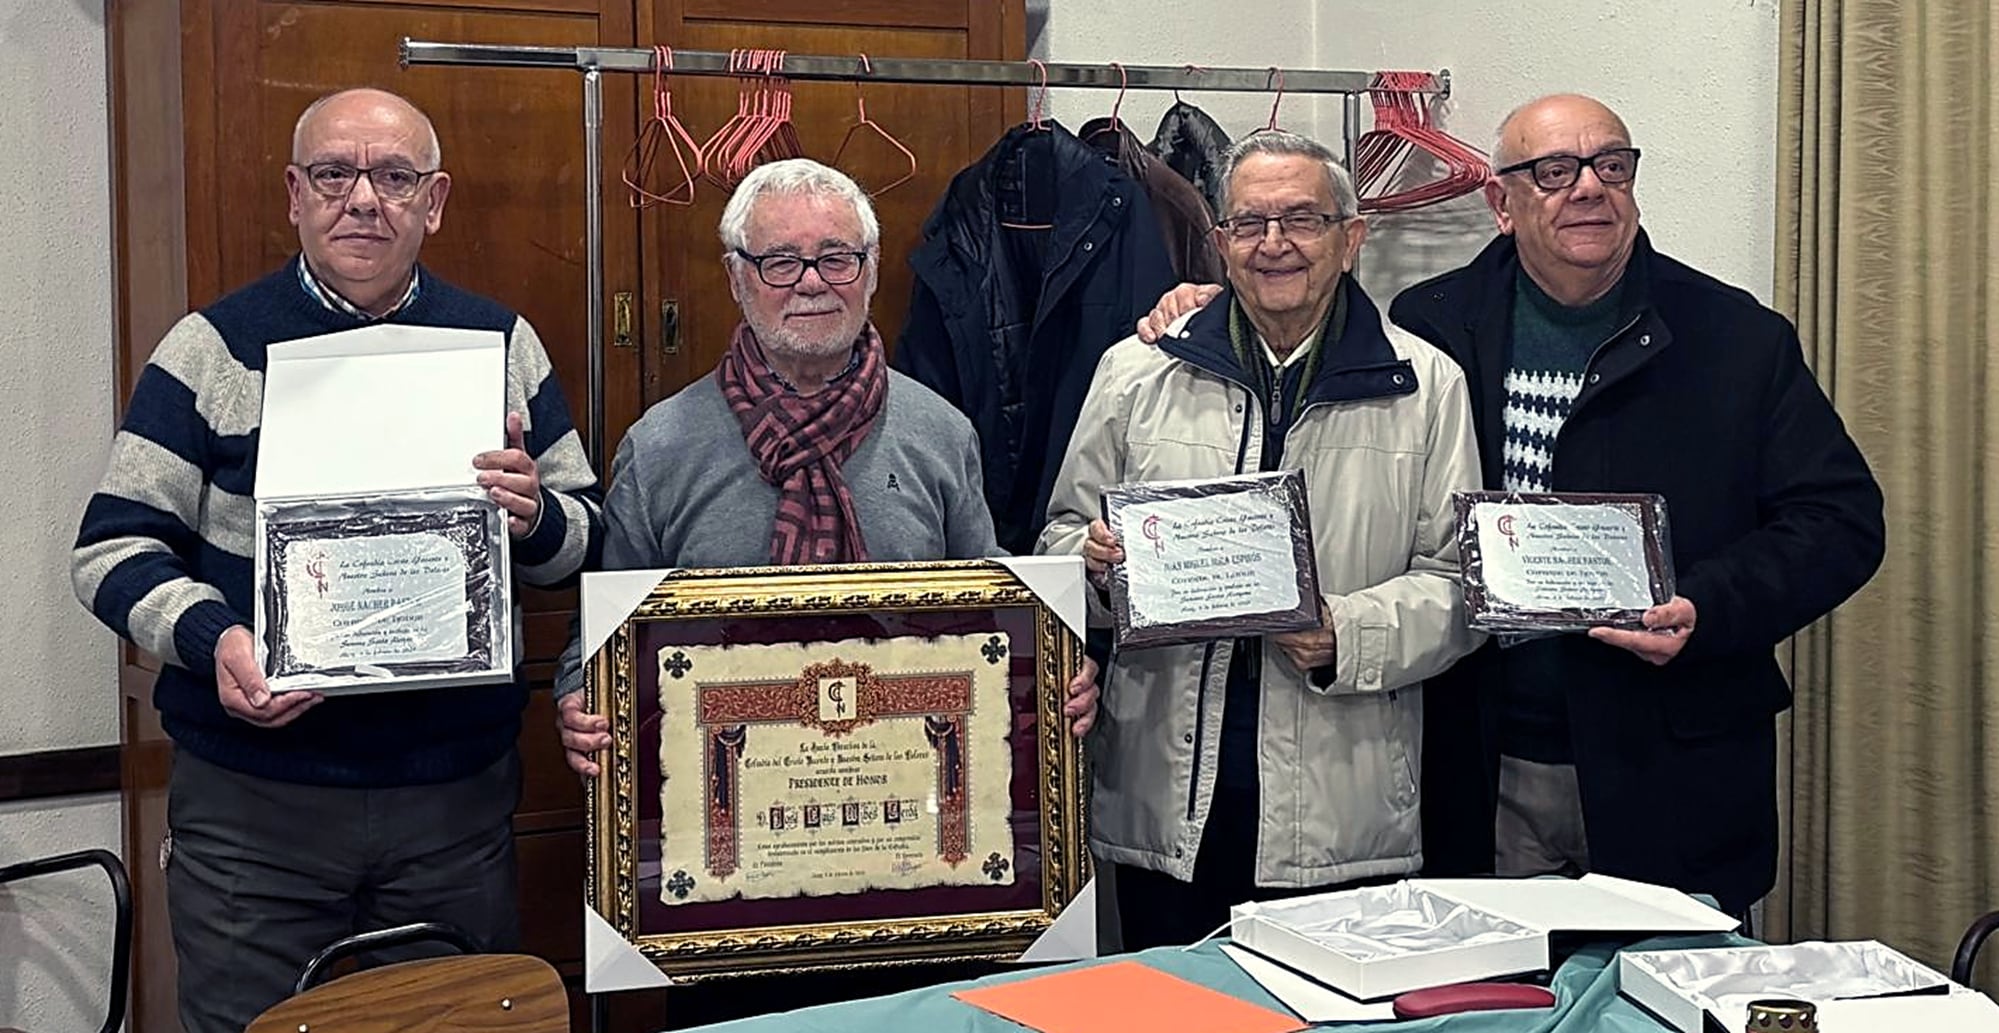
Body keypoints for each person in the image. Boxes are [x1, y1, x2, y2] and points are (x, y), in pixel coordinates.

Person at [1137, 95, 1886, 918]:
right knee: (1487, 980)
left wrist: (1709, 604)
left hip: (1668, 762)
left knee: (1665, 981)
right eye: (1554, 172)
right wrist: (1208, 307)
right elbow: (1302, 331)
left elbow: (1839, 520)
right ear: (1501, 202)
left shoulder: (1735, 337)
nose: (1589, 188)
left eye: (1611, 166)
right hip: (1477, 761)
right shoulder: (1433, 327)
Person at [69, 88, 603, 1033]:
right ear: (294, 194)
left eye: (394, 176)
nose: (363, 199)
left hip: (451, 805)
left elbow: (584, 539)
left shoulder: (500, 344)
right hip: (255, 810)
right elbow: (112, 549)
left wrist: (533, 517)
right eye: (332, 174)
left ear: (434, 201)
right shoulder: (213, 348)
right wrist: (213, 636)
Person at [1038, 130, 1482, 951]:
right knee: (1170, 1005)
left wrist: (1345, 633)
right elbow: (1061, 537)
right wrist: (1094, 566)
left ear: (1351, 237)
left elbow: (1459, 584)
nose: (1273, 243)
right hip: (1164, 803)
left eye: (1302, 219)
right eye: (1248, 223)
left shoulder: (1425, 386)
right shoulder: (1135, 373)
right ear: (1220, 242)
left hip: (1341, 809)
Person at [554, 158, 1097, 778]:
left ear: (872, 270)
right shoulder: (660, 448)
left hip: (902, 784)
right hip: (722, 791)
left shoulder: (942, 433)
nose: (811, 283)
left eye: (837, 258)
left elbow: (990, 606)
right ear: (736, 276)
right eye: (780, 261)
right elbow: (605, 630)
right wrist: (580, 693)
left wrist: (1053, 664)